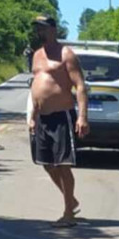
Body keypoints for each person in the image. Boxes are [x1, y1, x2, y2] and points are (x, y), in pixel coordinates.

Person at [29, 15, 89, 227]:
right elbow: (36, 87)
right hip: (43, 118)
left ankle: (68, 214)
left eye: (43, 28)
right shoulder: (36, 55)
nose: (40, 32)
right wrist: (33, 115)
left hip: (62, 116)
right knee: (47, 164)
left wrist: (82, 116)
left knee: (63, 165)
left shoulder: (66, 54)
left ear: (54, 30)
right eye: (38, 29)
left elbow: (80, 86)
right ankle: (70, 199)